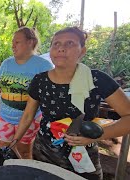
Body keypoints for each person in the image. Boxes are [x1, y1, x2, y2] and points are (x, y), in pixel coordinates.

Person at [13, 27, 130, 179]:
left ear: (82, 51)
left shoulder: (96, 79)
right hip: (44, 151)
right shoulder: (40, 80)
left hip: (83, 154)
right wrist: (15, 140)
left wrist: (95, 136)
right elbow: (28, 114)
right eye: (56, 44)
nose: (61, 48)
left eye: (69, 43)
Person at [0, 27, 54, 159]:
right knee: (3, 149)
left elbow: (48, 97)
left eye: (17, 42)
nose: (13, 45)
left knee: (24, 151)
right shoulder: (6, 63)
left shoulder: (44, 66)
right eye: (12, 43)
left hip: (30, 120)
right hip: (4, 117)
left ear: (30, 42)